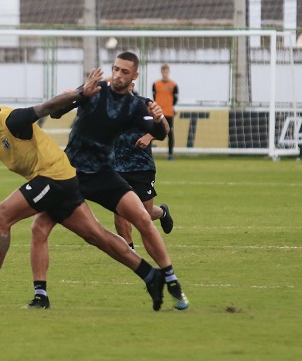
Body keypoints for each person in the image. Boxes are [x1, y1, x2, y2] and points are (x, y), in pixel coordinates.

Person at [0, 68, 167, 312]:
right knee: (96, 236)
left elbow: (47, 106)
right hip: (63, 178)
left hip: (52, 177)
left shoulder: (14, 119)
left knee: (1, 216)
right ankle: (151, 276)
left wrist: (80, 92)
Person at [30, 51, 188, 311]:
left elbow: (159, 133)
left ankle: (171, 280)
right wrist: (78, 94)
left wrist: (159, 120)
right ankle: (40, 296)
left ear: (135, 76)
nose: (118, 75)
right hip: (70, 174)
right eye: (115, 69)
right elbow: (56, 114)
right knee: (40, 227)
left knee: (143, 218)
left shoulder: (137, 105)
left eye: (125, 71)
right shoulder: (95, 90)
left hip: (104, 174)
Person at [111, 122, 174, 249]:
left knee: (144, 214)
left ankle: (162, 212)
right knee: (120, 210)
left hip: (142, 166)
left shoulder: (145, 105)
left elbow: (165, 127)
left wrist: (149, 136)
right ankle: (129, 251)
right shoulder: (109, 105)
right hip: (116, 166)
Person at [152, 63, 178, 160]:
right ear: (161, 72)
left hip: (168, 112)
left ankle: (170, 154)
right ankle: (149, 153)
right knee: (152, 131)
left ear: (168, 72)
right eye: (163, 72)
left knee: (170, 133)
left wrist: (170, 106)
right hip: (158, 112)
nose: (165, 74)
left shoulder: (173, 85)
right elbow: (154, 97)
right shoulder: (156, 84)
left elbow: (175, 99)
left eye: (166, 72)